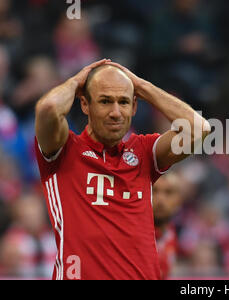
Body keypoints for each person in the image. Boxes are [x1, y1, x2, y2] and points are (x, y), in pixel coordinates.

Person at [34, 59, 211, 280]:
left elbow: (199, 129)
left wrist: (142, 87)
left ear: (135, 106)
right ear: (85, 104)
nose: (116, 112)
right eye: (105, 101)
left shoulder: (144, 153)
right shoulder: (63, 150)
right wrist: (75, 81)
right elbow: (48, 108)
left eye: (124, 102)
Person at [153, 172, 183, 280]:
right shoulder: (135, 234)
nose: (160, 200)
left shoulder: (172, 232)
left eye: (168, 192)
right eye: (154, 191)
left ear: (179, 200)